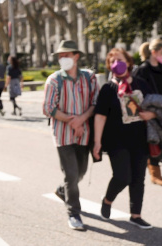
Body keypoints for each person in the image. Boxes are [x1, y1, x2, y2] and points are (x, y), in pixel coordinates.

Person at [93, 48, 154, 229]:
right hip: (116, 140)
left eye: (119, 59)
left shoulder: (141, 84)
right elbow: (100, 116)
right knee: (122, 176)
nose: (115, 63)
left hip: (140, 139)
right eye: (112, 61)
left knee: (138, 178)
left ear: (128, 62)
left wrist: (150, 115)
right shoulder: (108, 88)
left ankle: (136, 215)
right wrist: (97, 142)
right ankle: (107, 199)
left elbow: (155, 106)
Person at [43, 40, 99, 231]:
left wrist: (81, 120)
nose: (62, 58)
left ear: (76, 56)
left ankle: (62, 190)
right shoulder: (54, 80)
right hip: (63, 135)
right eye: (60, 55)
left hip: (84, 134)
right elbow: (48, 108)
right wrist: (71, 121)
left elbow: (95, 103)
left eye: (66, 55)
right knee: (72, 174)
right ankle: (74, 213)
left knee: (80, 173)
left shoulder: (90, 78)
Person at [134, 39, 162, 186]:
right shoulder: (142, 70)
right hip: (150, 113)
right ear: (154, 52)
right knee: (154, 141)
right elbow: (138, 96)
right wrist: (153, 113)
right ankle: (154, 173)